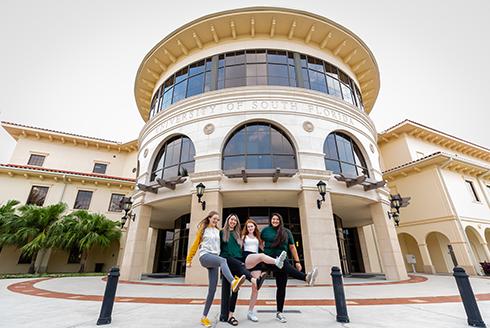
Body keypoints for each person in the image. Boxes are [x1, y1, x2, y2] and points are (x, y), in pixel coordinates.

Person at [186, 211, 246, 327]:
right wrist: (189, 260)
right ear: (209, 218)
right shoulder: (203, 230)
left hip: (214, 259)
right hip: (205, 256)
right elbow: (195, 245)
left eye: (217, 219)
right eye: (214, 218)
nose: (215, 221)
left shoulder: (218, 231)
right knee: (223, 260)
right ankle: (233, 282)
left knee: (212, 289)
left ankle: (204, 317)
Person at [260, 212, 319, 323]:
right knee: (283, 266)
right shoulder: (265, 231)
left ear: (280, 220)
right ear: (270, 220)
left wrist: (297, 261)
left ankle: (279, 312)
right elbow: (259, 242)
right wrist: (263, 252)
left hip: (283, 261)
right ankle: (306, 278)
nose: (275, 221)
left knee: (281, 287)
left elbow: (292, 247)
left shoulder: (286, 232)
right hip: (270, 260)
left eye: (277, 219)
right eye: (273, 219)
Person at [220, 213, 264, 326]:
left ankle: (230, 315)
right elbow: (215, 246)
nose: (233, 222)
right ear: (228, 221)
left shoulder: (237, 235)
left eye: (235, 220)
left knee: (236, 289)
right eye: (231, 219)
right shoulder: (222, 233)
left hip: (238, 260)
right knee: (241, 266)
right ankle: (254, 280)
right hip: (227, 259)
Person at [240, 219, 268, 322]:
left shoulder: (257, 238)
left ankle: (250, 312)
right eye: (248, 227)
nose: (250, 228)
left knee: (255, 288)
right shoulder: (243, 237)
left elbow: (265, 249)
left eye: (252, 226)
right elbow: (239, 249)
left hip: (256, 260)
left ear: (255, 227)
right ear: (246, 228)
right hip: (247, 258)